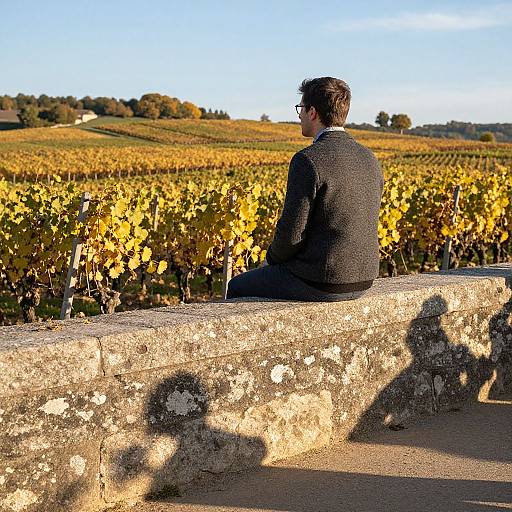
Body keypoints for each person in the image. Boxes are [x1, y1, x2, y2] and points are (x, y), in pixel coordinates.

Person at [227, 77, 384, 302]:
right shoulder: (369, 157)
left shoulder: (308, 160)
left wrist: (269, 260)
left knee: (237, 287)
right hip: (365, 278)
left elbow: (291, 235)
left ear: (312, 112)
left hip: (323, 280)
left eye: (301, 108)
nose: (299, 115)